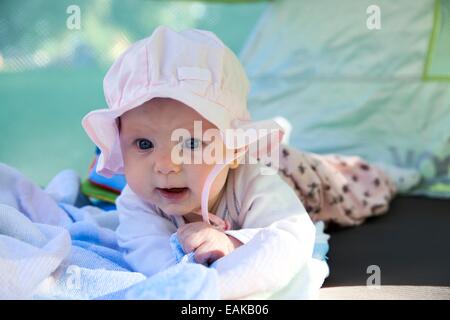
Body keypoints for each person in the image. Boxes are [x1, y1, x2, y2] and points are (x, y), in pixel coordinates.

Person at [81, 26, 418, 299]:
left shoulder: (254, 179)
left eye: (193, 142)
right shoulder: (137, 199)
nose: (166, 165)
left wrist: (233, 243)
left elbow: (291, 233)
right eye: (143, 143)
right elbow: (149, 253)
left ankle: (397, 173)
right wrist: (188, 281)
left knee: (358, 188)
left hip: (295, 173)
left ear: (232, 146)